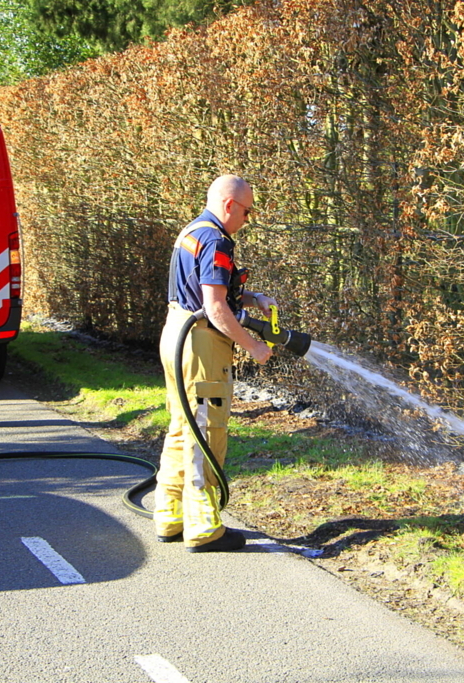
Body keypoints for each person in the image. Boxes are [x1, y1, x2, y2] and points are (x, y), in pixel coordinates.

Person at [155, 174, 276, 553]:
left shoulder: (192, 231)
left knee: (181, 427)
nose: (247, 218)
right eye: (246, 211)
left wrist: (252, 297)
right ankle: (204, 528)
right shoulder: (217, 239)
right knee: (206, 432)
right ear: (228, 205)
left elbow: (207, 286)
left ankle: (170, 516)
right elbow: (214, 306)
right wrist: (253, 346)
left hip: (175, 333)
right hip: (201, 342)